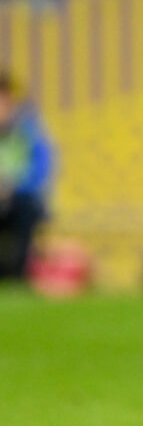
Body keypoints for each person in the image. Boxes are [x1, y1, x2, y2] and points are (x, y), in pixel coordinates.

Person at [0, 73, 53, 281]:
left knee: (26, 209)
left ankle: (17, 273)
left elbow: (41, 169)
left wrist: (12, 188)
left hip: (19, 199)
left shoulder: (27, 130)